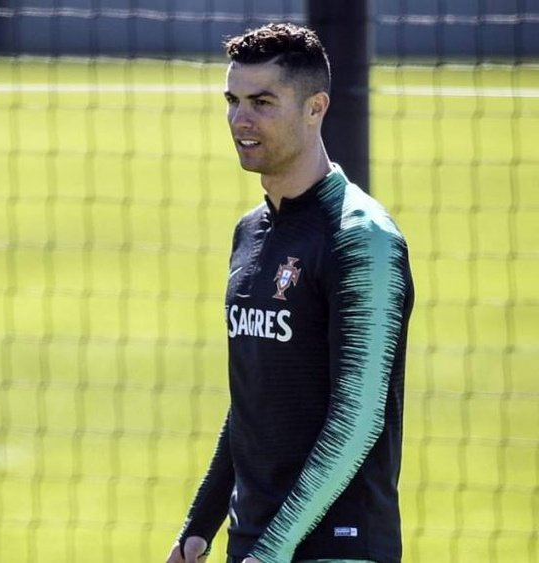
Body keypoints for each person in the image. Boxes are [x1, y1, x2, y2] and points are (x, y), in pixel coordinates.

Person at [166, 23, 414, 563]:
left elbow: (358, 419)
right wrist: (199, 527)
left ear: (315, 107)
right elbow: (254, 400)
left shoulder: (361, 239)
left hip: (339, 547)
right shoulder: (250, 232)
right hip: (254, 541)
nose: (240, 119)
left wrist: (275, 549)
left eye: (262, 101)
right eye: (232, 100)